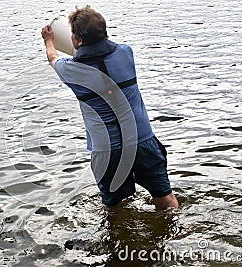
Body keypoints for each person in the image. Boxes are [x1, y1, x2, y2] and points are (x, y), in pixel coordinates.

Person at [41, 6, 179, 210]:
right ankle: (174, 234)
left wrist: (49, 40)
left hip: (107, 151)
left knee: (113, 208)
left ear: (78, 40)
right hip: (142, 142)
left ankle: (116, 239)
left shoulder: (70, 69)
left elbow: (53, 57)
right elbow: (102, 53)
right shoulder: (126, 53)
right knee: (165, 198)